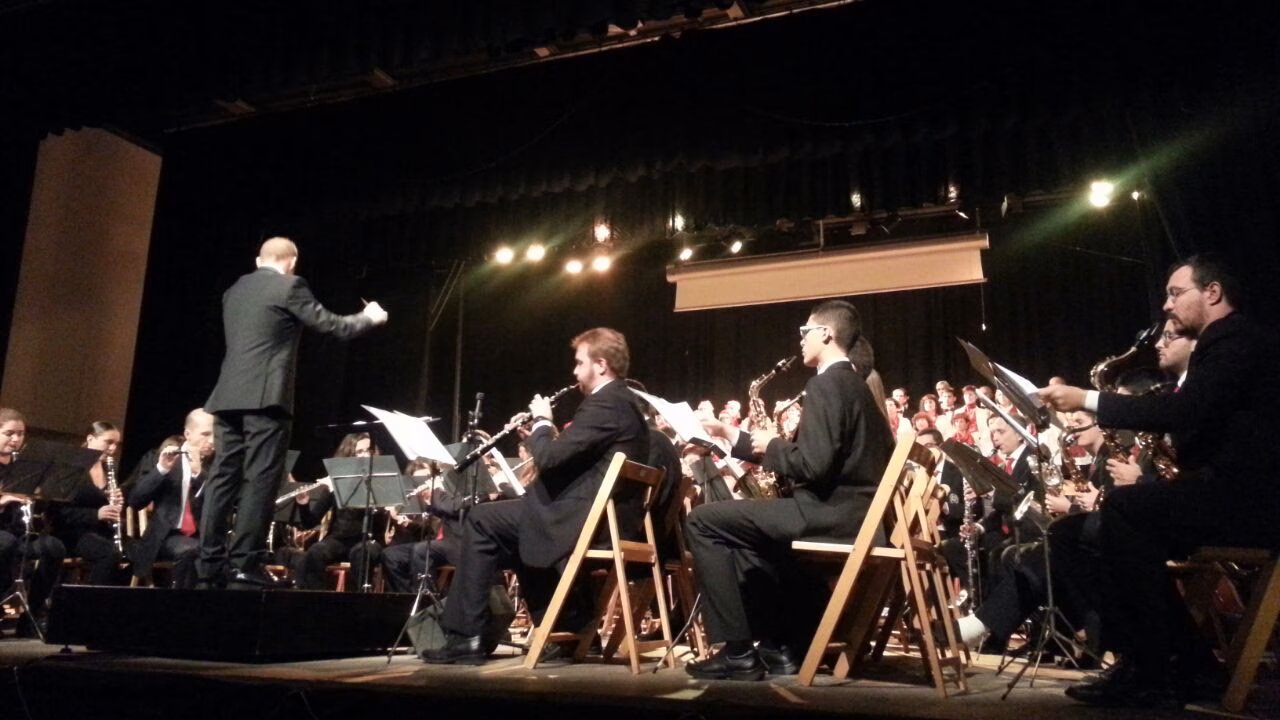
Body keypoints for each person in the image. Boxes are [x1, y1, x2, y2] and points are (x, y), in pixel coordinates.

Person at [1038, 253, 1280, 708]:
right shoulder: (1227, 343)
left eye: (1175, 293)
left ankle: (1154, 666)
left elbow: (1185, 411)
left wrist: (1088, 399)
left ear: (1213, 293)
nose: (1166, 305)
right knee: (1087, 528)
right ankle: (1183, 664)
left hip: (1251, 503)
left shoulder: (1234, 340)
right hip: (1233, 495)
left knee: (1124, 510)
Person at [683, 299, 893, 681]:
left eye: (805, 331)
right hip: (853, 517)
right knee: (749, 539)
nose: (800, 339)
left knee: (702, 521)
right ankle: (779, 647)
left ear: (826, 333)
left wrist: (771, 445)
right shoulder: (858, 389)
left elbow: (813, 465)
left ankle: (737, 652)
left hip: (827, 516)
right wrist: (735, 435)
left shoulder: (826, 384)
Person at [422, 327, 649, 665]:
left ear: (601, 365)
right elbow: (570, 459)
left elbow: (549, 459)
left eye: (579, 363)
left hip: (586, 520)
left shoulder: (605, 403)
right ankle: (568, 626)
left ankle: (465, 636)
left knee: (481, 520)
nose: (574, 371)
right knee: (517, 536)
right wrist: (537, 435)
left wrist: (543, 422)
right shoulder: (623, 403)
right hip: (599, 517)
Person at [197, 237, 388, 590]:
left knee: (222, 478)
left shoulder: (234, 291)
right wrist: (370, 317)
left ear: (259, 261)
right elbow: (334, 325)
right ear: (292, 262)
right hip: (266, 398)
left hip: (226, 396)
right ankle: (245, 563)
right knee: (261, 480)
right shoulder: (290, 285)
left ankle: (208, 564)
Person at [127, 409, 216, 589]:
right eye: (206, 434)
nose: (212, 441)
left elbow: (221, 505)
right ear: (188, 434)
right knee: (191, 550)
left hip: (205, 536)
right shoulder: (159, 457)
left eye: (216, 435)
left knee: (230, 556)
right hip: (167, 536)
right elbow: (136, 501)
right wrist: (162, 469)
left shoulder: (218, 466)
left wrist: (199, 475)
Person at [291, 432, 386, 590]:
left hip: (369, 540)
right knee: (315, 552)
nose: (365, 455)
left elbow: (379, 514)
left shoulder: (381, 481)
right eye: (359, 451)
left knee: (361, 554)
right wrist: (303, 504)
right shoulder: (337, 481)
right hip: (339, 540)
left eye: (368, 451)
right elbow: (309, 523)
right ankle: (317, 599)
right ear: (349, 455)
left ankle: (356, 601)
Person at [0, 408, 65, 636]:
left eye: (20, 434)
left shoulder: (24, 467)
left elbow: (42, 508)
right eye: (9, 433)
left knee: (53, 547)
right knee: (5, 543)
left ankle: (31, 616)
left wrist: (40, 494)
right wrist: (3, 501)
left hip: (19, 534)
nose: (16, 439)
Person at [45, 421, 129, 586]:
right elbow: (58, 512)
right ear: (90, 439)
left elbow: (102, 504)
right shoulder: (70, 467)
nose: (113, 449)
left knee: (138, 553)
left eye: (116, 444)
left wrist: (115, 503)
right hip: (71, 532)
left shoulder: (108, 467)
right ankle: (89, 598)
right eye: (108, 442)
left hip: (100, 531)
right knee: (109, 553)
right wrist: (96, 514)